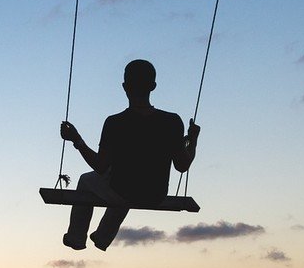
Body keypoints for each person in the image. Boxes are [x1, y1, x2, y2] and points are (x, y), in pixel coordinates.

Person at [59, 59, 200, 251]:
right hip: (155, 193)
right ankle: (102, 237)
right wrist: (192, 139)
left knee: (91, 181)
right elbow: (182, 165)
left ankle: (76, 237)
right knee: (125, 181)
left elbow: (100, 166)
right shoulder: (172, 122)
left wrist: (77, 140)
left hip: (124, 190)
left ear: (125, 87)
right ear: (153, 86)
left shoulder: (115, 123)